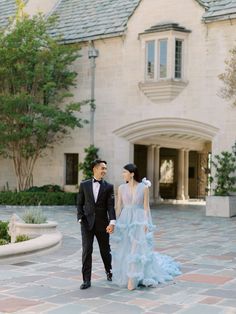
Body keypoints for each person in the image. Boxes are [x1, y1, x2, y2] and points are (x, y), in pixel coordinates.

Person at [111, 163, 181, 290]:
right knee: (125, 247)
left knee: (135, 248)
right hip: (125, 219)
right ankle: (127, 276)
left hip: (138, 220)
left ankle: (132, 279)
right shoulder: (121, 188)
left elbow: (146, 207)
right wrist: (113, 222)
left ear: (132, 174)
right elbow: (118, 206)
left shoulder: (144, 188)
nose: (123, 174)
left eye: (125, 172)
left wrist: (147, 223)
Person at [77, 159, 116, 289]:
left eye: (105, 168)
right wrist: (80, 218)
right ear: (95, 169)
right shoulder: (84, 185)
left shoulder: (109, 187)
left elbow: (111, 206)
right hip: (86, 224)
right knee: (87, 251)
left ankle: (109, 271)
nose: (104, 171)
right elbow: (79, 203)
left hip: (102, 224)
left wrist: (112, 222)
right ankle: (86, 280)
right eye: (102, 168)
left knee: (105, 250)